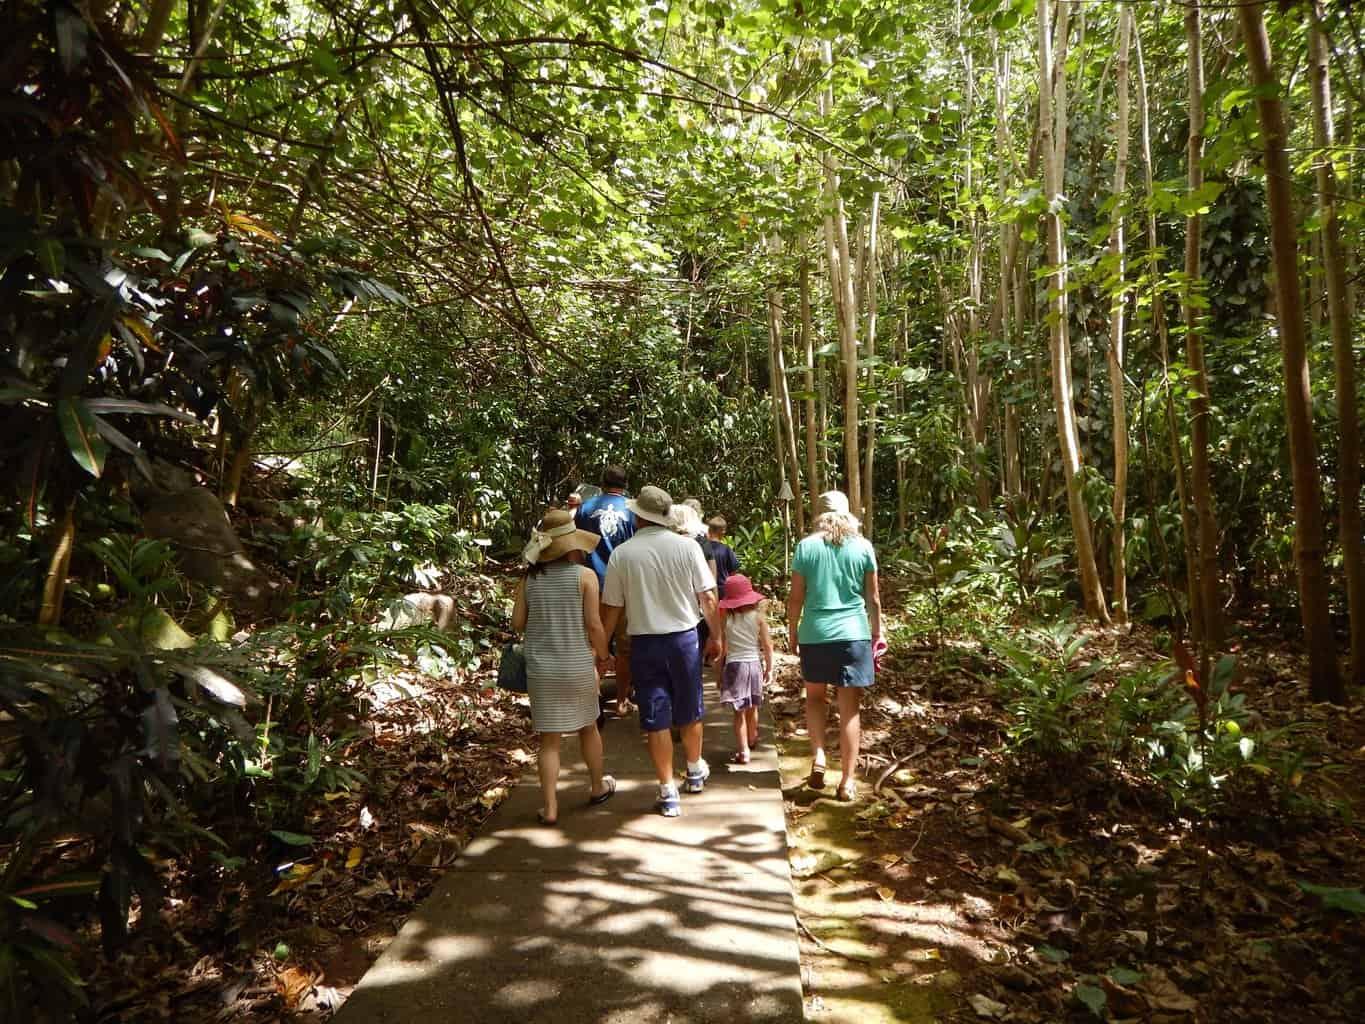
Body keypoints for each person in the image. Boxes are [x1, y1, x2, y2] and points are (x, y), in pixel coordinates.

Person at [602, 485, 721, 817]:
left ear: (638, 516)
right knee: (690, 706)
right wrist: (716, 636)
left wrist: (600, 647)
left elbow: (611, 609)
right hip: (684, 639)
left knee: (655, 717)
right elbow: (708, 598)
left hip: (645, 644)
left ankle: (668, 791)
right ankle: (695, 771)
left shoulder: (622, 554)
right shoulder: (688, 547)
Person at [511, 509, 617, 825]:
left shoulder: (529, 579)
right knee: (589, 727)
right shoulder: (584, 577)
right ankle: (597, 786)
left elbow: (518, 623)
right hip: (578, 665)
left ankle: (550, 807)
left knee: (549, 741)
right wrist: (603, 655)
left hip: (542, 669)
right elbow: (595, 624)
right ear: (572, 544)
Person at [785, 490, 882, 802]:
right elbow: (874, 600)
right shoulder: (863, 547)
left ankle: (819, 756)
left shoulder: (806, 547)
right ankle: (847, 783)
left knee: (814, 699)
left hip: (815, 633)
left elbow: (796, 597)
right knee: (849, 710)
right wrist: (877, 634)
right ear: (848, 514)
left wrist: (792, 630)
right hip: (853, 635)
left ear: (820, 515)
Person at [576, 466, 636, 713]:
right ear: (625, 484)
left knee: (593, 642)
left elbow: (577, 545)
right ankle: (622, 701)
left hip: (592, 582)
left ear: (602, 483)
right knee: (625, 647)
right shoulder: (633, 511)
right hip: (623, 586)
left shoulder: (585, 508)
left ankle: (591, 702)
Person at [717, 574, 773, 765]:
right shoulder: (758, 618)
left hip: (735, 666)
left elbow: (724, 651)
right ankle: (752, 737)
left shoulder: (727, 621)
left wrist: (719, 674)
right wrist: (769, 668)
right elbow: (767, 645)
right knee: (753, 706)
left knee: (738, 712)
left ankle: (744, 751)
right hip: (754, 665)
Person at [706, 515, 740, 593]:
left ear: (709, 530)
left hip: (706, 590)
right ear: (723, 532)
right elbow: (733, 573)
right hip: (723, 590)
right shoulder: (726, 549)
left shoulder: (701, 548)